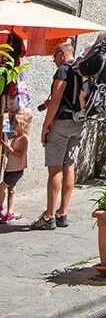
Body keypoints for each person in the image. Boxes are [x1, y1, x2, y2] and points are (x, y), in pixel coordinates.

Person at [33, 41, 84, 229]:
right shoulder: (81, 70)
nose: (53, 60)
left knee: (55, 169)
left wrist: (45, 126)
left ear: (62, 53)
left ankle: (49, 216)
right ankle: (63, 213)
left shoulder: (63, 70)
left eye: (54, 56)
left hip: (61, 122)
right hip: (78, 123)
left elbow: (55, 101)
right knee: (69, 166)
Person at [2, 109, 30, 223]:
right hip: (10, 168)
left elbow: (20, 155)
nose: (13, 124)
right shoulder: (15, 138)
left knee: (1, 187)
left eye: (15, 123)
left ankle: (2, 209)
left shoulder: (24, 139)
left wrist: (10, 149)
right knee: (11, 190)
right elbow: (11, 155)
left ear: (22, 125)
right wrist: (8, 151)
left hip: (16, 169)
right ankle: (10, 212)